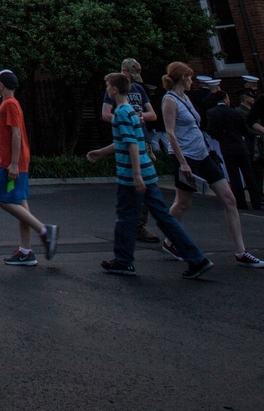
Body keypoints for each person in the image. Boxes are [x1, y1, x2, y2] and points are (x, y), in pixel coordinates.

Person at [87, 72, 212, 278]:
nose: (107, 90)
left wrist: (136, 176)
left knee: (125, 217)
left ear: (115, 89)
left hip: (132, 175)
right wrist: (102, 152)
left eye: (108, 86)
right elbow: (126, 140)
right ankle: (196, 258)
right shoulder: (132, 113)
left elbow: (132, 145)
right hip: (148, 171)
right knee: (163, 217)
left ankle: (123, 261)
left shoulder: (120, 114)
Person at [161, 62, 263, 267]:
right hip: (185, 157)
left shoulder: (185, 98)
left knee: (229, 198)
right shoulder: (169, 100)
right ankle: (170, 240)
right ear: (183, 78)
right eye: (190, 77)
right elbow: (170, 133)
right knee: (183, 203)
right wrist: (182, 163)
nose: (192, 81)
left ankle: (241, 252)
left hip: (203, 155)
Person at [0, 71, 58, 266]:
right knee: (21, 202)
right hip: (15, 161)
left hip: (13, 163)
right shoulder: (7, 104)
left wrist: (13, 163)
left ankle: (44, 230)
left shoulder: (10, 104)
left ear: (2, 85)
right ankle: (25, 250)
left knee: (3, 200)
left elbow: (16, 134)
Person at [101, 58, 159, 243]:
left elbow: (152, 114)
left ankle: (139, 224)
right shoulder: (113, 89)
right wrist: (125, 121)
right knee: (135, 187)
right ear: (124, 71)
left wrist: (137, 117)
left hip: (143, 138)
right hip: (128, 137)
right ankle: (136, 227)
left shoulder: (139, 89)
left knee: (146, 186)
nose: (132, 79)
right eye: (130, 75)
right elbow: (105, 114)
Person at [206, 93, 262, 211]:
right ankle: (256, 202)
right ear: (226, 99)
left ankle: (241, 203)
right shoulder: (235, 112)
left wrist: (221, 137)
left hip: (227, 147)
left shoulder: (211, 112)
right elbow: (245, 130)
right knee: (248, 174)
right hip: (240, 146)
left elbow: (211, 130)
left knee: (234, 175)